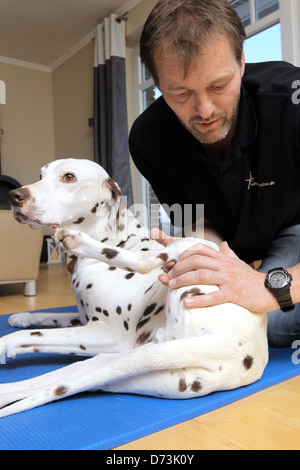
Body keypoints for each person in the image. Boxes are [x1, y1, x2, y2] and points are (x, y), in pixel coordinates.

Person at [129, 0, 300, 348]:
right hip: (231, 235)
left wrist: (271, 286)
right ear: (158, 84)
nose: (204, 110)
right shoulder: (148, 139)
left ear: (240, 63)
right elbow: (197, 221)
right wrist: (201, 262)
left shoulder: (292, 101)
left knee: (278, 323)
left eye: (219, 86)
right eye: (180, 93)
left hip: (294, 221)